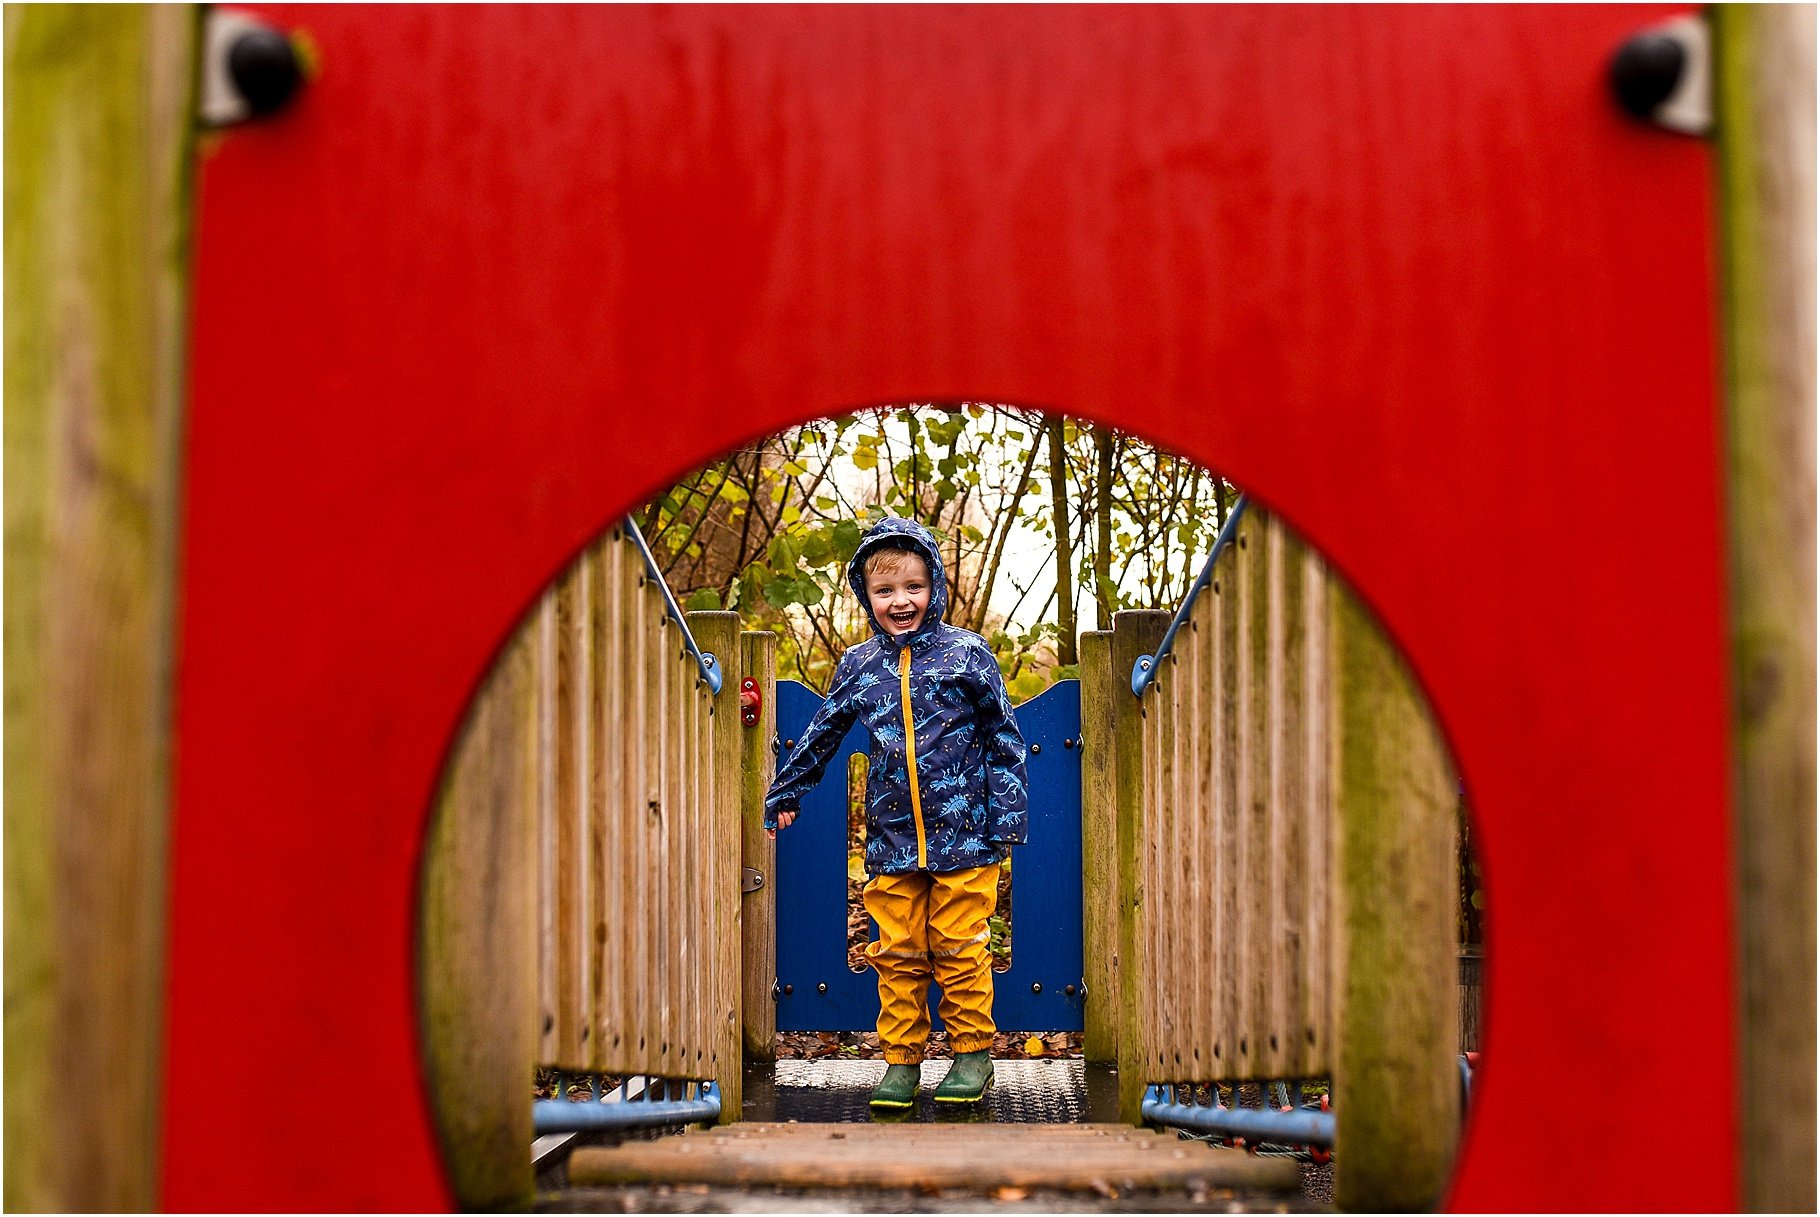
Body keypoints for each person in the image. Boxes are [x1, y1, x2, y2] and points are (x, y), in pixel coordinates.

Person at [765, 516, 1029, 1109]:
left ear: (934, 585)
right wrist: (788, 791)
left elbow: (1004, 738)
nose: (900, 601)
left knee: (960, 946)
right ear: (866, 596)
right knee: (899, 951)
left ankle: (971, 1056)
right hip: (891, 837)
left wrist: (1007, 818)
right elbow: (822, 732)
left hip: (966, 837)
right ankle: (902, 1062)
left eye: (913, 586)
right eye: (884, 591)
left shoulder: (967, 652)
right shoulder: (860, 665)